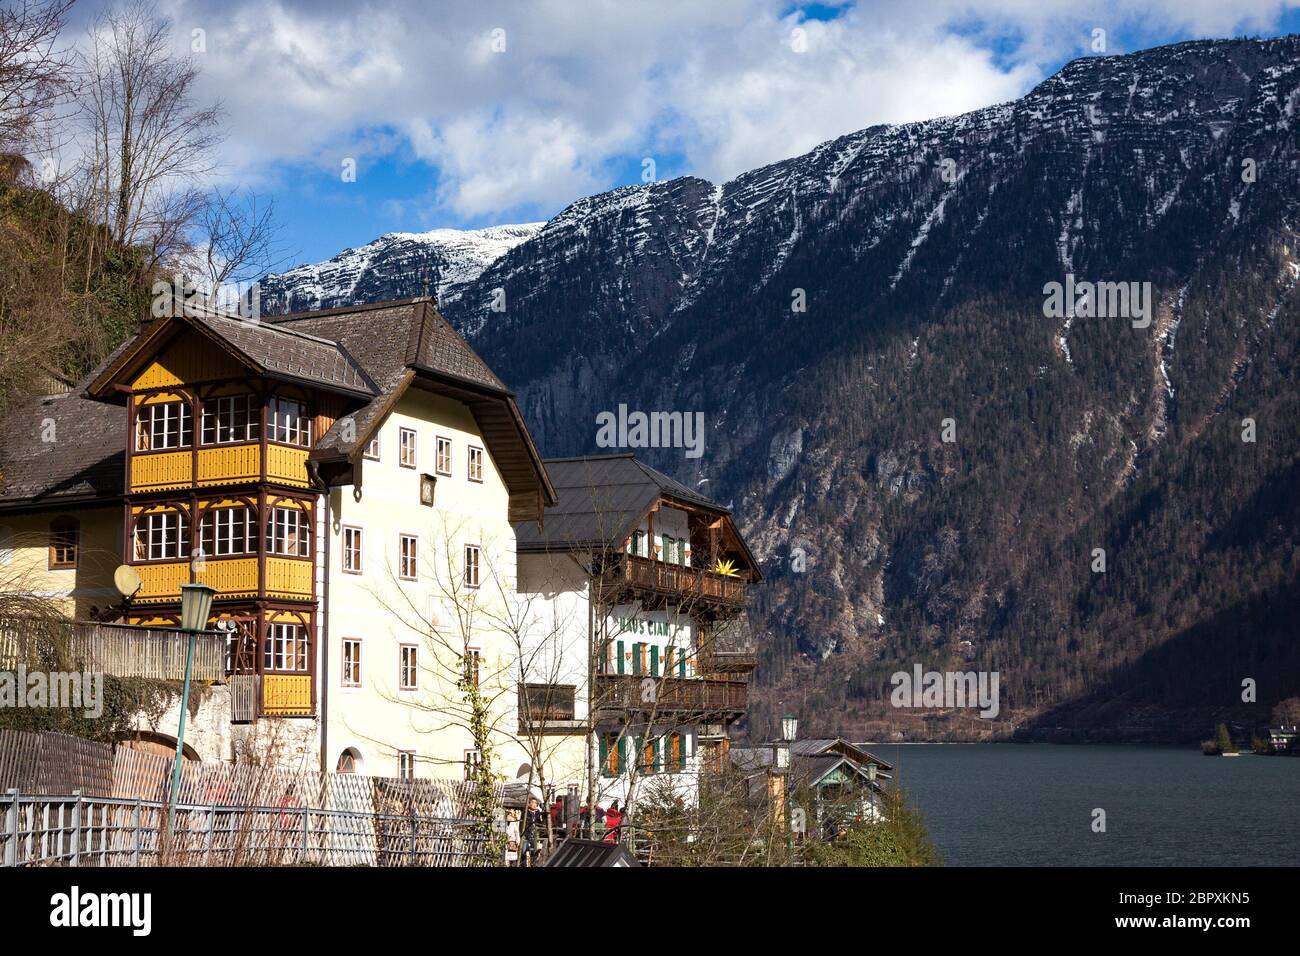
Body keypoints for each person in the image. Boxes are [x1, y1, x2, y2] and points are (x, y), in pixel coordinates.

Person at [522, 796, 546, 866]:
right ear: (529, 804)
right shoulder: (525, 812)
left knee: (535, 852)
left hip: (536, 835)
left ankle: (533, 864)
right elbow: (522, 824)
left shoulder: (538, 813)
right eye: (533, 803)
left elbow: (540, 824)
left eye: (536, 803)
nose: (535, 804)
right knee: (524, 852)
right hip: (526, 835)